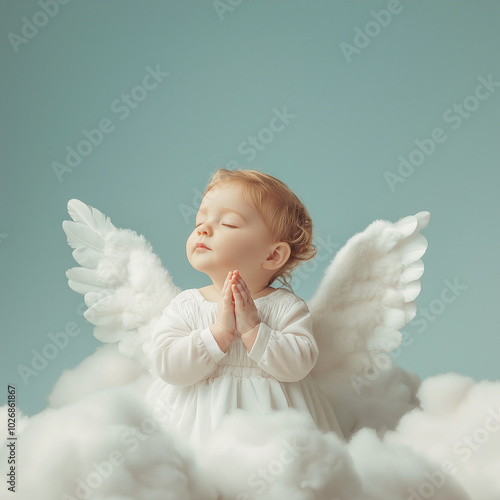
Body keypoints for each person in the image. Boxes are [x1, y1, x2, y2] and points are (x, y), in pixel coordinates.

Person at [145, 168, 345, 450]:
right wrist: (218, 333)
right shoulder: (187, 306)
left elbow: (299, 364)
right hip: (195, 424)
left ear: (273, 255)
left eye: (227, 223)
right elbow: (167, 366)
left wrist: (254, 330)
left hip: (273, 430)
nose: (203, 228)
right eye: (199, 221)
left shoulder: (285, 307)